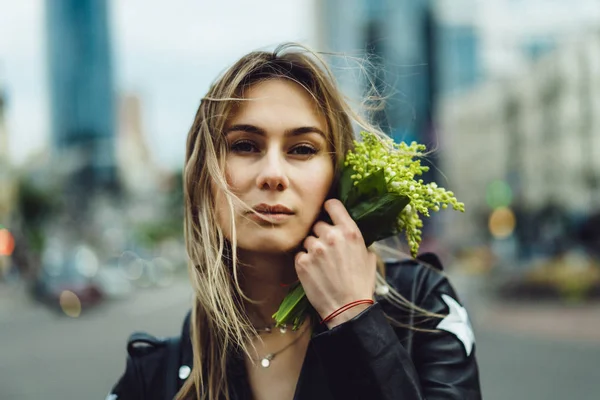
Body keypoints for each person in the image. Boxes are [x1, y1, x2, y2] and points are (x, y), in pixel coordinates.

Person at [108, 43, 482, 400]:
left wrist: (352, 317)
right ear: (202, 176)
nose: (273, 174)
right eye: (244, 145)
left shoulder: (423, 306)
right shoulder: (152, 377)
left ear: (337, 176)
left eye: (302, 149)